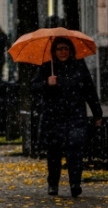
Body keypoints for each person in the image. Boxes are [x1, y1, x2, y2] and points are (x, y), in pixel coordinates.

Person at [32, 37, 103, 197]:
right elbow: (33, 87)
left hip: (75, 115)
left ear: (70, 50)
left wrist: (97, 113)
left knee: (75, 151)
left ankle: (75, 183)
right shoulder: (47, 67)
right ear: (54, 51)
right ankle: (53, 184)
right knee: (54, 153)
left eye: (66, 48)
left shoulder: (78, 66)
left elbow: (89, 90)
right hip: (54, 117)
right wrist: (46, 84)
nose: (63, 52)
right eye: (59, 49)